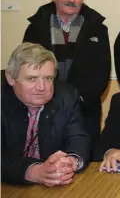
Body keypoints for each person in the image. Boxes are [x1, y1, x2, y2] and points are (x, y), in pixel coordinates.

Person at [22, 0, 111, 153]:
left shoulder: (97, 28)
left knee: (84, 159)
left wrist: (78, 100)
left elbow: (102, 70)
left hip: (84, 109)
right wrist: (49, 99)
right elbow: (26, 66)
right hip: (42, 107)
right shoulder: (36, 27)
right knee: (46, 161)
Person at [2, 43, 90, 185]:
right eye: (32, 79)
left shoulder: (66, 96)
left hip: (52, 186)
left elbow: (78, 137)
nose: (41, 87)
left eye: (48, 78)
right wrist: (32, 171)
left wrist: (71, 160)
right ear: (11, 78)